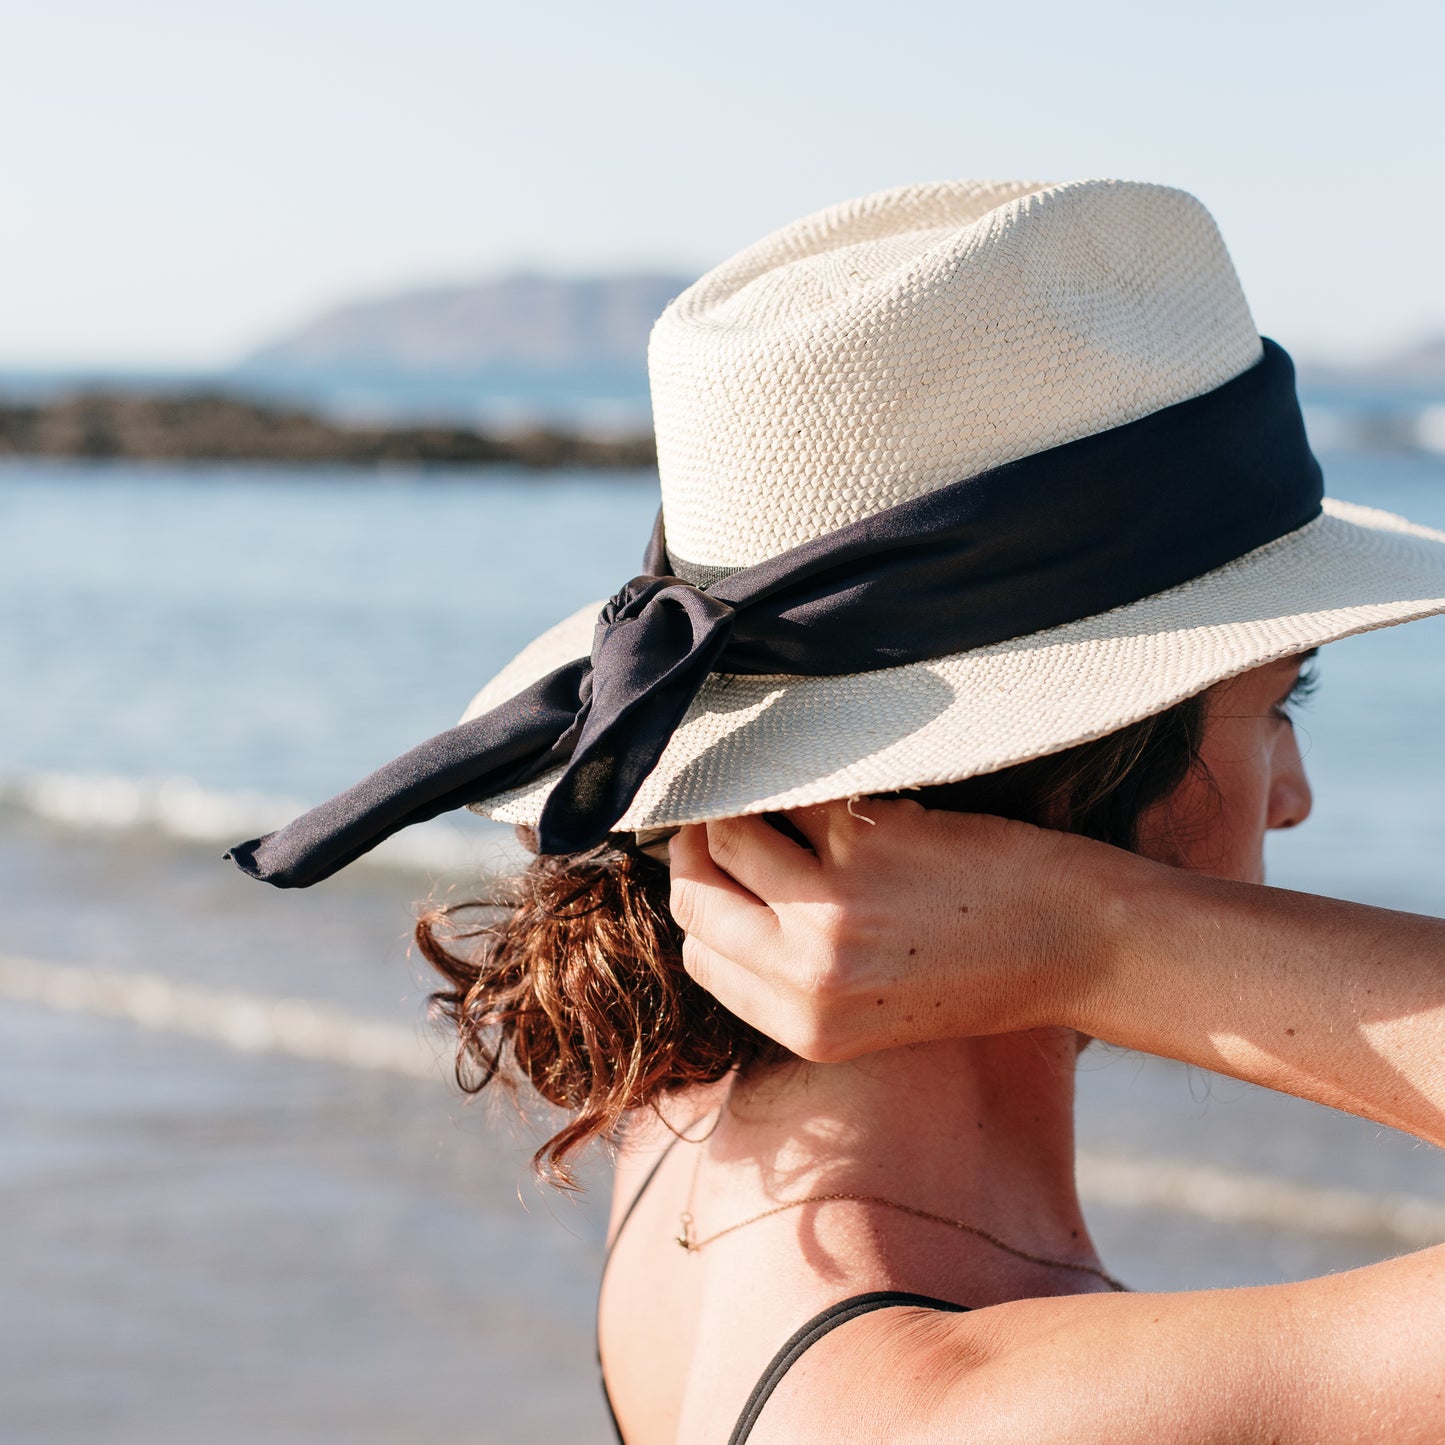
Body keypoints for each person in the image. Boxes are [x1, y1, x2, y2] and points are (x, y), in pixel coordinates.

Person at [228, 178, 1445, 1441]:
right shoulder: (998, 1407)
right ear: (1072, 768)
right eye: (1275, 705)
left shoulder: (693, 1121)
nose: (1293, 797)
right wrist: (1111, 941)